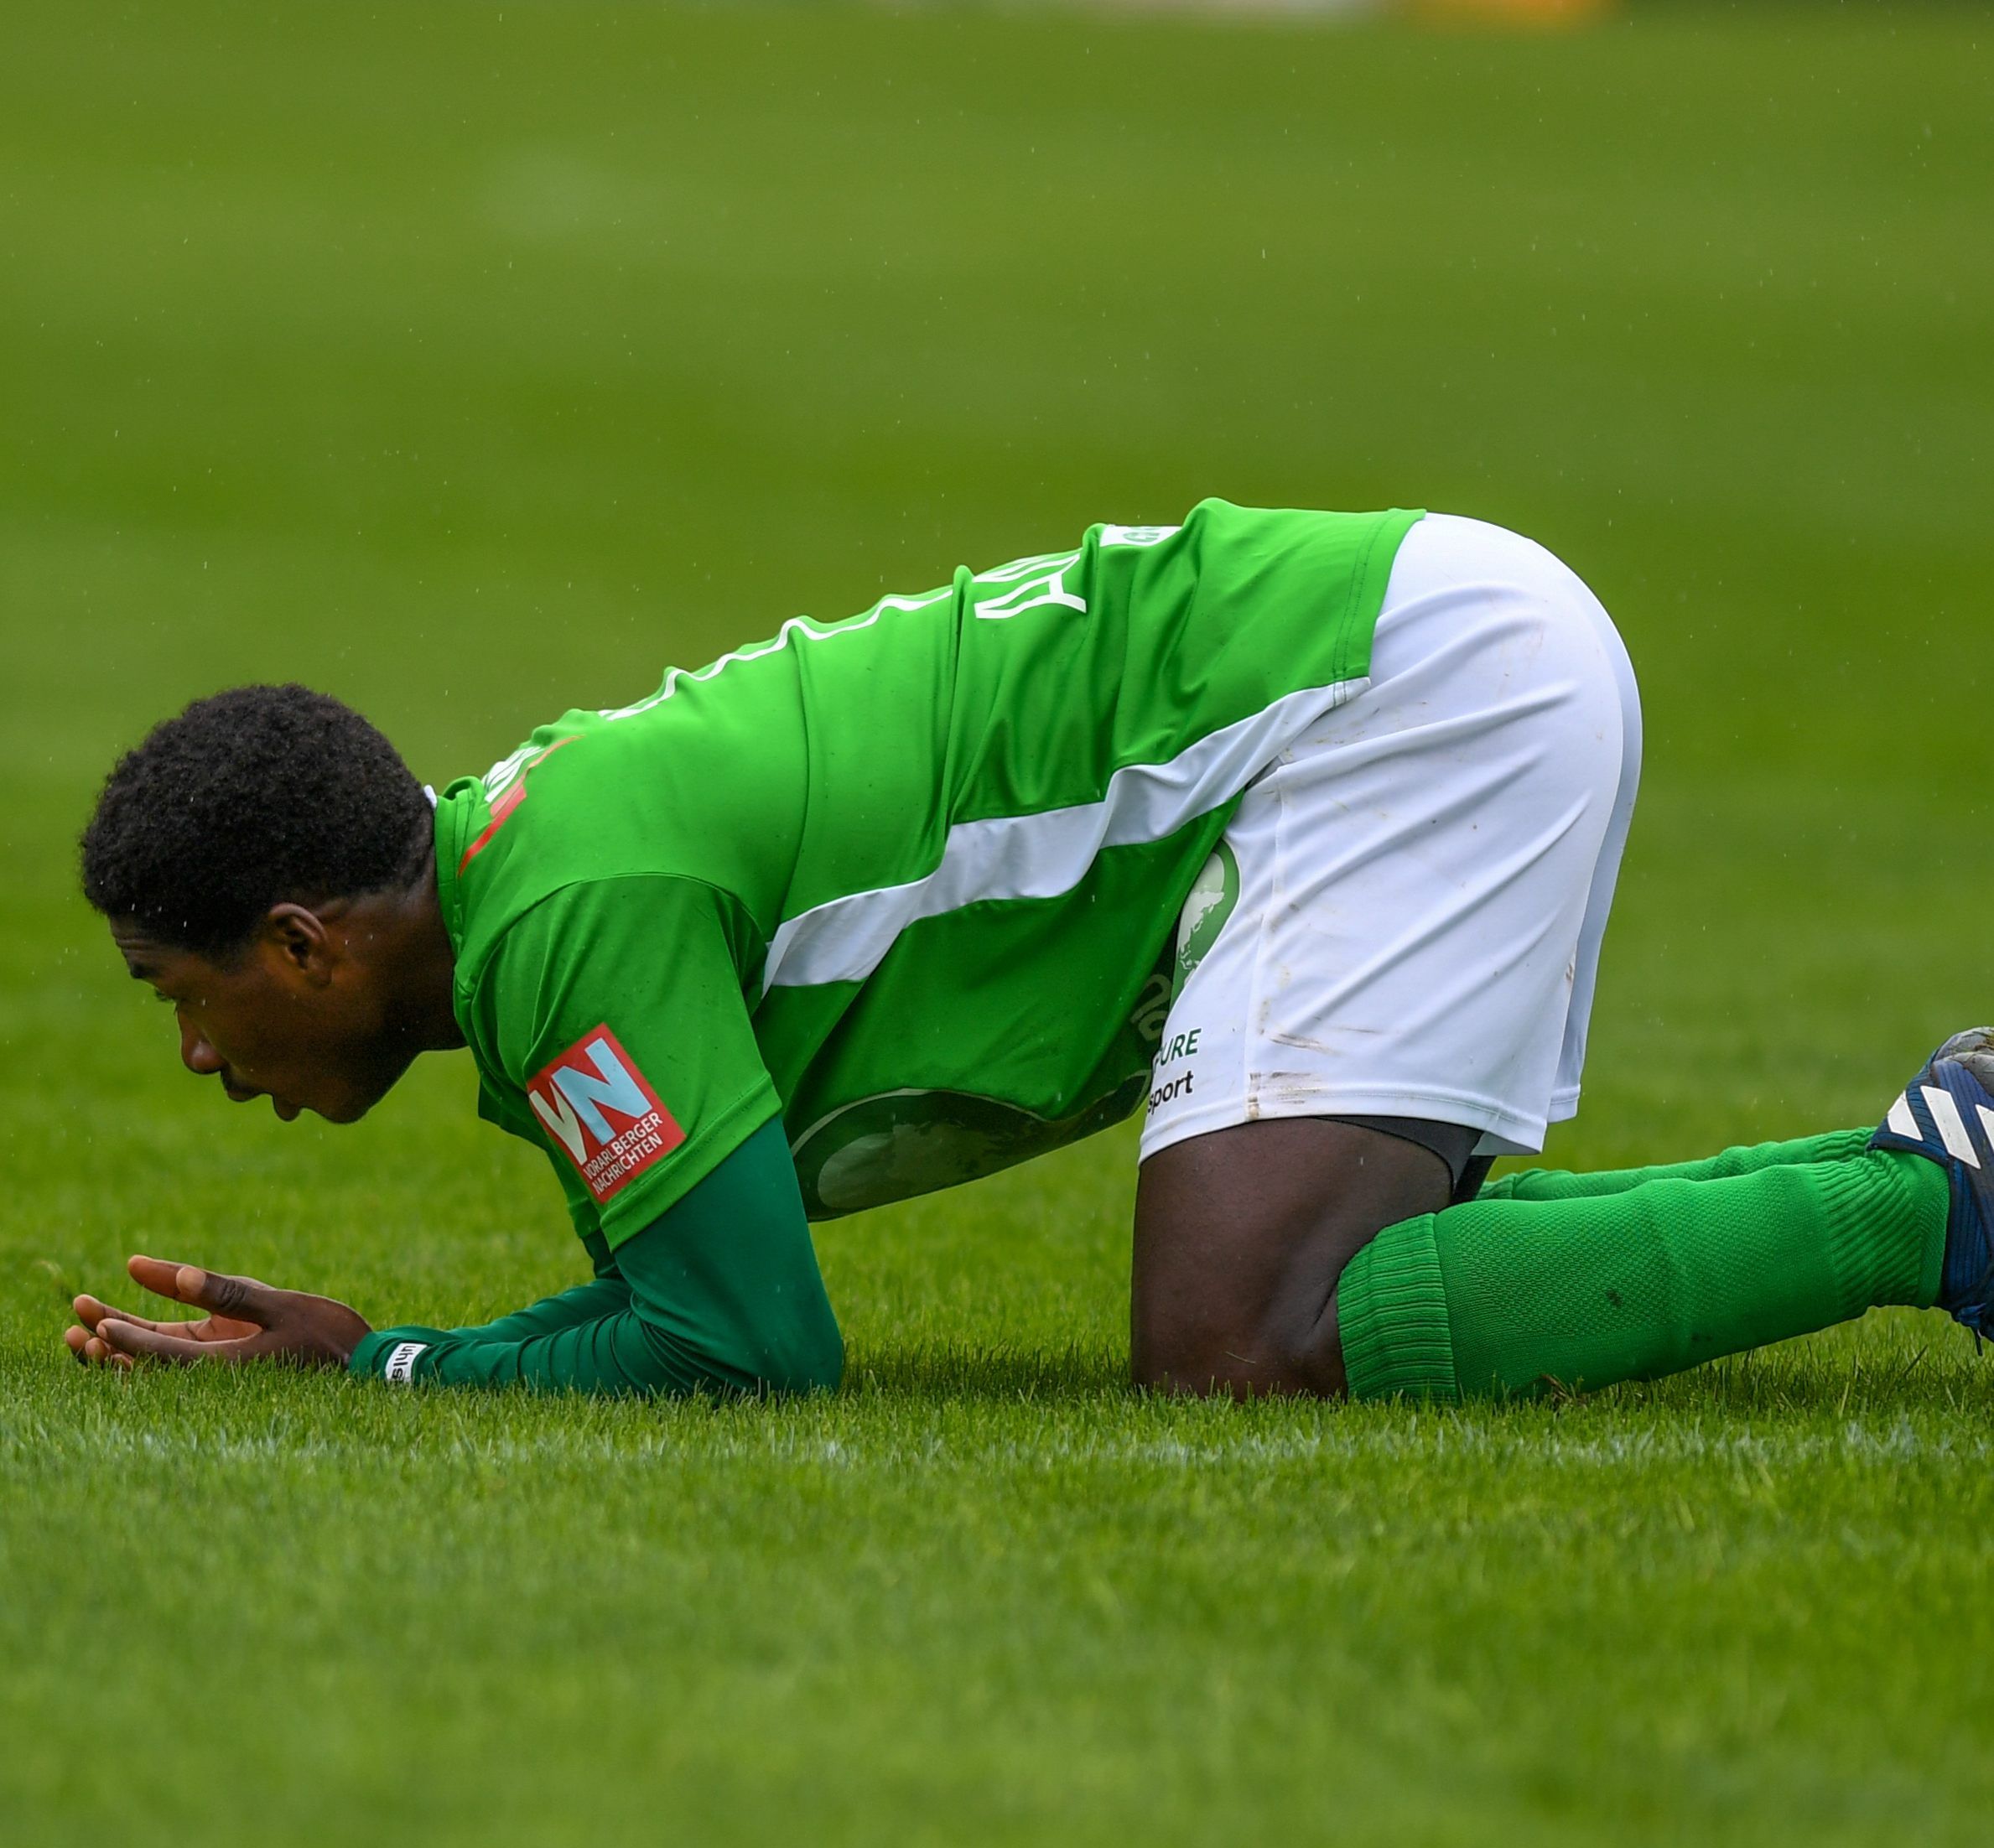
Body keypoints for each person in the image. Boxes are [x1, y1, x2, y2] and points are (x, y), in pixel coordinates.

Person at [65, 501, 1986, 1402]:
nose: (196, 1059)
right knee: (1350, 1290)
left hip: (1383, 693)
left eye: (184, 994)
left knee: (1241, 1340)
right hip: (1396, 654)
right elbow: (680, 1304)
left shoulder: (562, 916)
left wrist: (391, 1372)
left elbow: (748, 1349)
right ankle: (1944, 1147)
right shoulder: (532, 874)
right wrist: (400, 1349)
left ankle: (1929, 1205)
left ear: (306, 944)